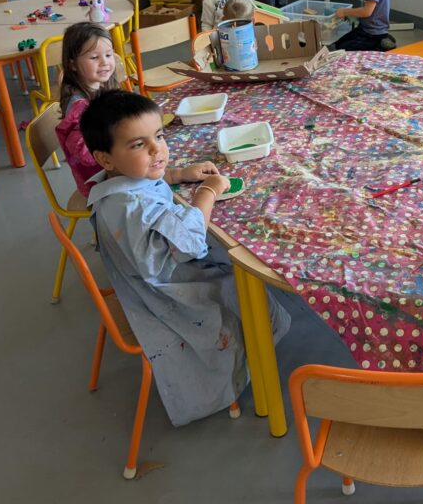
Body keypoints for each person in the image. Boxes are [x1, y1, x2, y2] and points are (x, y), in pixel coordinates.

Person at [80, 90, 291, 426]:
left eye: (159, 136)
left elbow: (141, 180)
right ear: (105, 159)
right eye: (139, 144)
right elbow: (192, 241)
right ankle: (253, 364)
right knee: (243, 275)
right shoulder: (135, 208)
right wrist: (208, 191)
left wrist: (177, 175)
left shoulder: (117, 181)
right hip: (169, 292)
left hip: (143, 274)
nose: (157, 150)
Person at [54, 21, 119, 197]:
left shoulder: (99, 87)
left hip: (113, 172)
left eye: (108, 54)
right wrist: (120, 151)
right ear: (72, 64)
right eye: (94, 57)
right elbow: (85, 154)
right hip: (102, 187)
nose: (104, 62)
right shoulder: (79, 108)